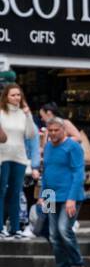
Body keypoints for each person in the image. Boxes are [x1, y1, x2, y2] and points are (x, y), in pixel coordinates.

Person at [40, 116, 86, 267]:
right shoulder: (47, 146)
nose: (53, 133)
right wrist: (42, 195)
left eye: (56, 130)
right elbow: (46, 171)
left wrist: (71, 198)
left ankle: (78, 264)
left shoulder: (73, 146)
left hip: (69, 196)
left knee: (64, 230)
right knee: (53, 234)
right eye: (50, 130)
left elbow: (78, 173)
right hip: (50, 195)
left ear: (64, 130)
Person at [0, 83, 39, 238]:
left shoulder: (23, 114)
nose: (16, 97)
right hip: (2, 157)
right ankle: (1, 227)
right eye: (13, 95)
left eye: (18, 95)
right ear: (6, 97)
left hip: (19, 157)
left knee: (15, 192)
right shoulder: (1, 113)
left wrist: (29, 115)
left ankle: (15, 228)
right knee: (1, 191)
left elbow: (31, 135)